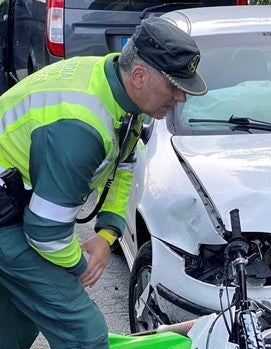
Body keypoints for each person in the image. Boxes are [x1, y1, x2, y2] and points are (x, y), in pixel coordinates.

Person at [0, 17, 206, 348]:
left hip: (18, 203)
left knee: (17, 319)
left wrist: (106, 233)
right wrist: (80, 265)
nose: (181, 97)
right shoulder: (78, 129)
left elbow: (125, 161)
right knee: (86, 334)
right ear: (139, 76)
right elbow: (45, 233)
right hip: (9, 218)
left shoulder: (120, 89)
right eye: (174, 86)